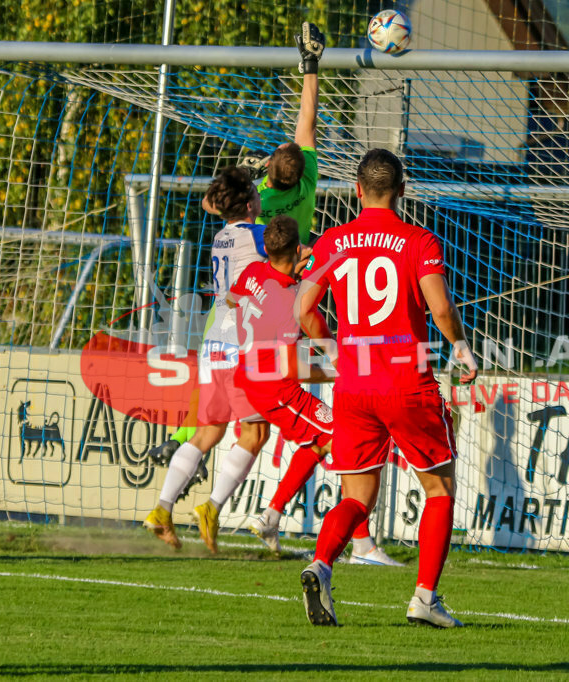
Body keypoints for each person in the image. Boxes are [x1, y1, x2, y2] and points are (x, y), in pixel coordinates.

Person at [295, 149, 478, 628]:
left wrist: (332, 349)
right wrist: (460, 346)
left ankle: (321, 564)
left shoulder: (333, 240)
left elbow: (303, 310)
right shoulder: (418, 239)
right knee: (439, 489)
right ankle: (424, 598)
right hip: (406, 382)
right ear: (402, 189)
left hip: (354, 387)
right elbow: (439, 309)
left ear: (357, 190)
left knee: (356, 497)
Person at [149, 21, 325, 462]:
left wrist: (249, 175)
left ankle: (182, 440)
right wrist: (310, 67)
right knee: (292, 372)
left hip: (236, 302)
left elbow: (212, 205)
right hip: (284, 295)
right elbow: (308, 122)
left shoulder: (257, 201)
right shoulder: (308, 182)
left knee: (212, 380)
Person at [230, 215, 398, 566]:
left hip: (247, 374)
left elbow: (233, 301)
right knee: (344, 434)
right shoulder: (290, 301)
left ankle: (271, 517)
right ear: (296, 249)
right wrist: (339, 371)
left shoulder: (254, 272)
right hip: (274, 386)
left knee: (321, 440)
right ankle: (363, 545)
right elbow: (290, 369)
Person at [143, 166, 271, 551]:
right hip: (243, 345)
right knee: (256, 432)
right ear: (250, 203)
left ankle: (162, 510)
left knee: (209, 431)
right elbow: (293, 253)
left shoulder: (220, 238)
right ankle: (211, 507)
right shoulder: (259, 235)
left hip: (216, 340)